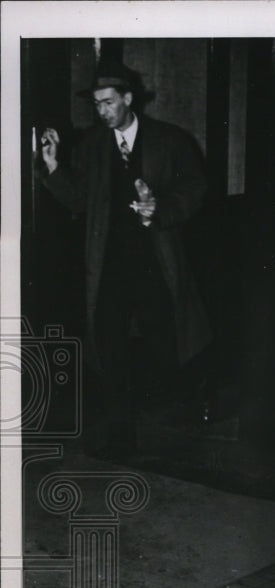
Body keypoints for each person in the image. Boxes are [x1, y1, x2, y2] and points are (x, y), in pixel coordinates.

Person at [41, 60, 212, 458]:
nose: (101, 111)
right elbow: (78, 200)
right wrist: (52, 166)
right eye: (97, 104)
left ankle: (182, 412)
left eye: (108, 103)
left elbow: (195, 188)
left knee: (165, 343)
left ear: (128, 99)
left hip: (156, 263)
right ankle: (122, 435)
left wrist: (161, 208)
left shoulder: (170, 140)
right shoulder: (92, 147)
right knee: (111, 346)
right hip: (108, 267)